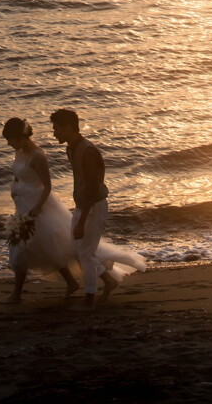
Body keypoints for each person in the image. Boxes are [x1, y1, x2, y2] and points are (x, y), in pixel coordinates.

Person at [1, 117, 79, 304]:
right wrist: (16, 189)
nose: (9, 144)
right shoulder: (20, 152)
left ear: (20, 137)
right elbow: (19, 175)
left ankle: (18, 295)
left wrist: (37, 207)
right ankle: (18, 294)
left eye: (10, 139)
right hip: (22, 205)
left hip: (37, 206)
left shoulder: (38, 156)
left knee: (43, 245)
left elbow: (47, 186)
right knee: (22, 247)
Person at [51, 108, 119, 308]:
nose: (54, 133)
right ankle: (108, 280)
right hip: (83, 204)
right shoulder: (71, 148)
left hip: (93, 205)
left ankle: (89, 298)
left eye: (56, 129)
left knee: (85, 254)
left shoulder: (88, 151)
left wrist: (82, 220)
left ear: (69, 128)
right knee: (76, 249)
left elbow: (92, 188)